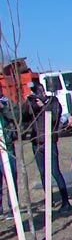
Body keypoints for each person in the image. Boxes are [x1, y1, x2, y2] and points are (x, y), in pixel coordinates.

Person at [23, 83, 71, 213]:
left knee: (55, 172)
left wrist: (43, 105)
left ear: (43, 91)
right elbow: (24, 116)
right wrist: (29, 103)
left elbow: (55, 116)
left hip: (50, 141)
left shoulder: (52, 101)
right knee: (43, 174)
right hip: (36, 142)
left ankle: (66, 202)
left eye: (39, 92)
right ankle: (49, 200)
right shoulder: (32, 103)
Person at [0, 91, 18, 219]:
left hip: (7, 146)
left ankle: (13, 208)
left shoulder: (7, 102)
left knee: (11, 177)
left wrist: (3, 108)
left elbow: (16, 116)